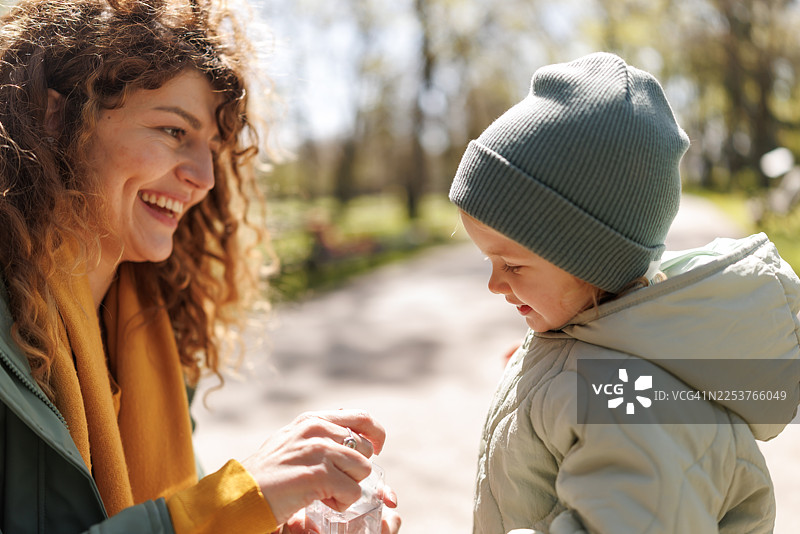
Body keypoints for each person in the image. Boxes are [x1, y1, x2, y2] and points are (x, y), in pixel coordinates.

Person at [0, 0, 400, 532]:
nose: (204, 177)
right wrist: (235, 498)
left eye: (211, 146)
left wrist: (268, 517)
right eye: (173, 131)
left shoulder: (150, 327)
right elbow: (186, 515)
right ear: (53, 118)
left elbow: (173, 502)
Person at [449, 52, 800, 533]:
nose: (494, 284)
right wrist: (550, 370)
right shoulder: (604, 362)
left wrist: (575, 382)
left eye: (511, 264)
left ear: (589, 258)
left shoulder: (633, 403)